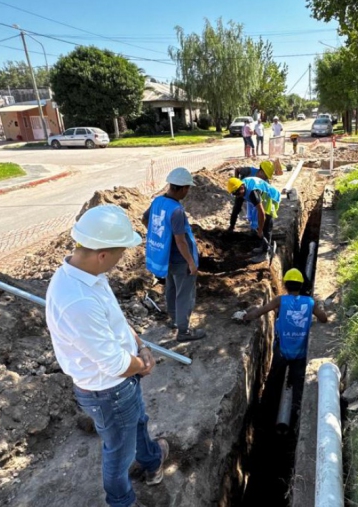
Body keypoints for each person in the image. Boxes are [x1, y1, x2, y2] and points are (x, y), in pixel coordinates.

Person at [45, 204, 169, 507]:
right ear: (103, 254)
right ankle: (121, 501)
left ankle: (152, 462)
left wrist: (140, 345)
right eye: (121, 252)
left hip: (122, 383)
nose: (122, 259)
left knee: (138, 422)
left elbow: (115, 319)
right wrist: (144, 365)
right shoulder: (78, 301)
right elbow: (113, 364)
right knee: (118, 452)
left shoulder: (87, 275)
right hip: (109, 391)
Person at [242, 268, 328, 422]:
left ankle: (267, 410)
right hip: (300, 352)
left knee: (274, 379)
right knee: (298, 381)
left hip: (281, 351)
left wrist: (245, 316)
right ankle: (296, 413)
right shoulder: (309, 302)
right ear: (301, 285)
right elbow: (323, 318)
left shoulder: (280, 300)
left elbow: (259, 312)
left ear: (286, 285)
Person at [142, 168, 207, 342]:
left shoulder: (158, 201)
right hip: (180, 259)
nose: (188, 191)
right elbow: (181, 241)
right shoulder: (176, 210)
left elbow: (145, 219)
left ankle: (174, 320)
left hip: (165, 257)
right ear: (183, 188)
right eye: (188, 188)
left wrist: (160, 236)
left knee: (170, 288)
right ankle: (183, 331)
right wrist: (191, 263)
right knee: (184, 294)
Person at [227, 176, 281, 258]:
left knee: (266, 224)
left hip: (270, 197)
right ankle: (263, 247)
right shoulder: (240, 191)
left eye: (237, 193)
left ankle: (265, 253)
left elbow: (262, 213)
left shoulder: (253, 193)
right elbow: (236, 208)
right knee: (258, 222)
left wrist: (260, 230)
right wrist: (232, 225)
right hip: (261, 198)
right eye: (234, 194)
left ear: (242, 187)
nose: (237, 196)